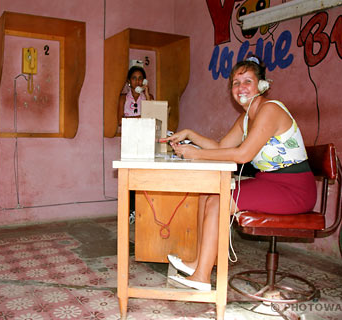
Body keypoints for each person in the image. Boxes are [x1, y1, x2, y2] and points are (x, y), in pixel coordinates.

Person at [165, 55, 317, 291]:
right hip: (269, 183)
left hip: (293, 188)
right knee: (208, 194)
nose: (240, 88)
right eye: (235, 83)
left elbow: (242, 155)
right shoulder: (245, 118)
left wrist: (195, 155)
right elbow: (222, 147)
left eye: (247, 81)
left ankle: (201, 278)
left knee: (219, 201)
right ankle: (199, 261)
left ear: (262, 85)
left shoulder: (270, 109)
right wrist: (189, 134)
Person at [118, 65, 154, 224]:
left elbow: (154, 114)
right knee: (131, 174)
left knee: (145, 174)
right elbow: (120, 120)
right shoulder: (122, 98)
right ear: (129, 81)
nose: (137, 81)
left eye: (140, 78)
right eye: (134, 78)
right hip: (129, 138)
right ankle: (131, 209)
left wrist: (146, 93)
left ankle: (144, 209)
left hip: (145, 138)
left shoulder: (148, 96)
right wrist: (141, 117)